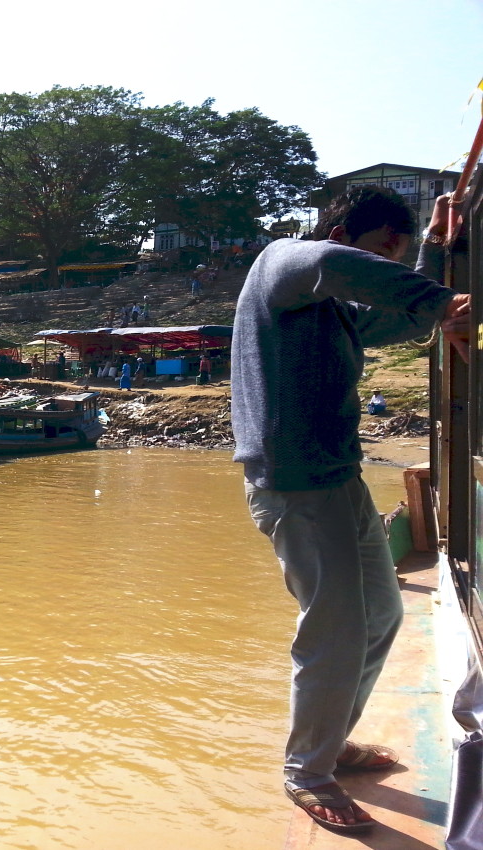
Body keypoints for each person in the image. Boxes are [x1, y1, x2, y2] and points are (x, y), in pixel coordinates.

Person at [231, 186, 472, 833]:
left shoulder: (333, 309)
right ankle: (306, 773)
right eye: (386, 248)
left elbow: (405, 316)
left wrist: (435, 256)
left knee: (383, 615)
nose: (387, 263)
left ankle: (332, 743)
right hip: (296, 487)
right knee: (334, 630)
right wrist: (438, 298)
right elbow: (345, 270)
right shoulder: (287, 262)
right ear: (344, 235)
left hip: (339, 481)